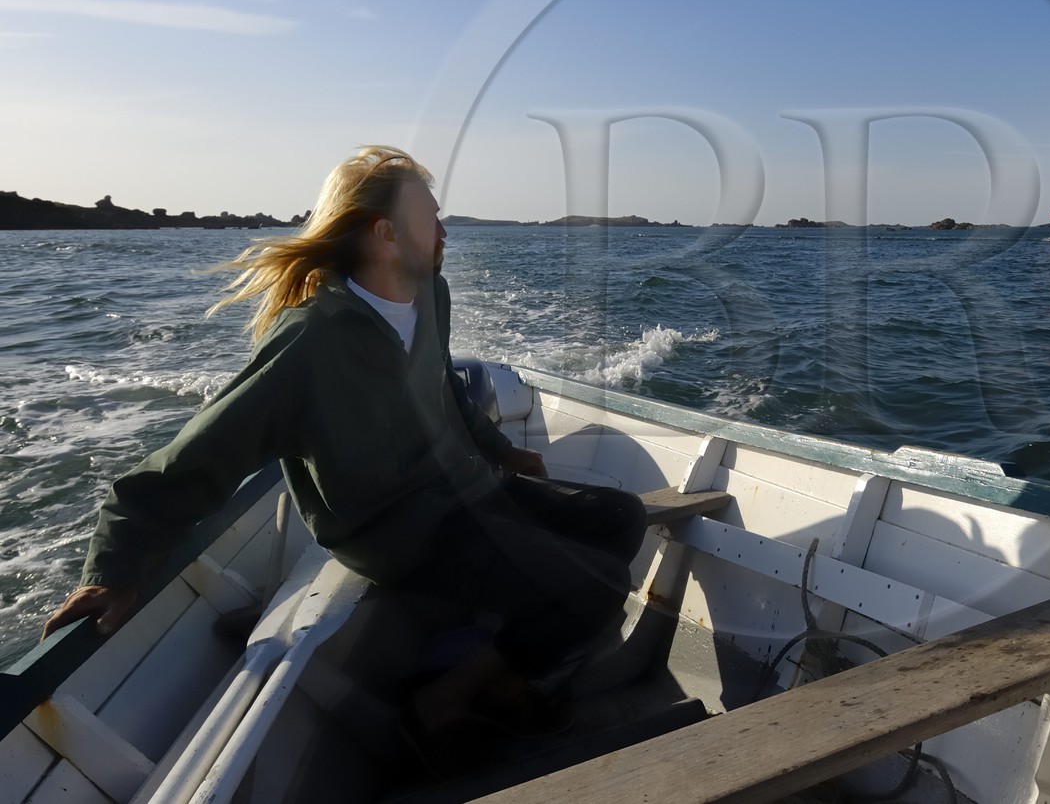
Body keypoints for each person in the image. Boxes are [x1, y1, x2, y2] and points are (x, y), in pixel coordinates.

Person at [42, 146, 645, 745]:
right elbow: (193, 460)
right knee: (593, 586)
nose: (444, 232)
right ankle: (444, 701)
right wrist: (115, 569)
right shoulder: (311, 343)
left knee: (620, 515)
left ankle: (501, 663)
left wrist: (500, 449)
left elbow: (443, 388)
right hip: (397, 531)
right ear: (386, 234)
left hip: (466, 491)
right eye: (431, 218)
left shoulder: (430, 294)